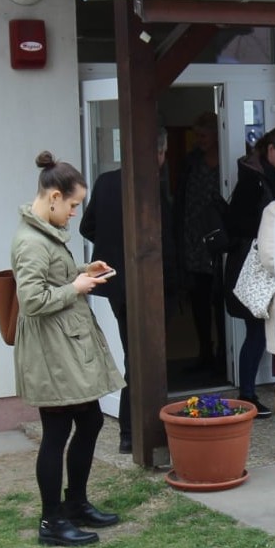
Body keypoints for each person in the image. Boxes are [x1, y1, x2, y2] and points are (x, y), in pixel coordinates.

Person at [12, 152, 125, 548]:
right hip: (51, 351)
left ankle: (74, 502)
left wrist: (83, 271)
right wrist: (75, 288)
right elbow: (31, 300)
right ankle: (51, 520)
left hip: (64, 346)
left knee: (90, 421)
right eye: (74, 205)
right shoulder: (31, 241)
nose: (75, 213)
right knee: (57, 432)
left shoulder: (44, 233)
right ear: (54, 197)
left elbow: (52, 277)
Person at [79, 127, 178, 452]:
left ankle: (131, 431)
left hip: (116, 284)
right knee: (144, 359)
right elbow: (166, 241)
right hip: (148, 286)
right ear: (158, 153)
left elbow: (86, 226)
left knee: (133, 355)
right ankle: (135, 432)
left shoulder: (106, 182)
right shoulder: (151, 188)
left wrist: (111, 250)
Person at [223, 126, 275, 416]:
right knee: (256, 331)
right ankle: (248, 393)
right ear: (271, 149)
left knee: (274, 330)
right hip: (254, 265)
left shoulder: (274, 176)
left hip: (272, 263)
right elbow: (238, 224)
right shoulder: (253, 180)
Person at [175, 111, 227, 372]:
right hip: (195, 239)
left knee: (221, 299)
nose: (199, 140)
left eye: (204, 135)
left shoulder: (230, 158)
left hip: (221, 240)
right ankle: (205, 350)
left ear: (217, 134)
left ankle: (225, 352)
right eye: (197, 136)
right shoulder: (192, 161)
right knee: (199, 299)